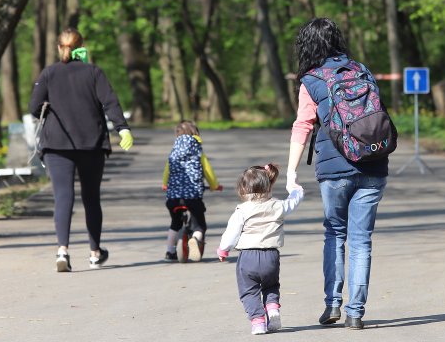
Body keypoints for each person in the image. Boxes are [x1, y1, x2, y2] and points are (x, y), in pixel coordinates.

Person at [286, 17, 389, 330]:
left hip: (334, 168)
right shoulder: (361, 70)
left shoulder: (311, 80)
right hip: (373, 163)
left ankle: (333, 303)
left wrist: (291, 173)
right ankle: (355, 312)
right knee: (362, 241)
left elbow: (303, 125)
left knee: (335, 232)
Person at [28, 28, 134, 273]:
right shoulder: (93, 72)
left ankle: (62, 250)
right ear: (81, 47)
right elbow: (110, 101)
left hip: (56, 144)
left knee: (63, 197)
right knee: (91, 198)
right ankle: (95, 253)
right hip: (91, 144)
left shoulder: (49, 73)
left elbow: (34, 107)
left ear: (59, 48)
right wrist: (122, 129)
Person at [217, 164, 305, 335]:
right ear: (268, 185)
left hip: (248, 257)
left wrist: (223, 249)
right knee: (271, 285)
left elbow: (231, 233)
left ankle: (258, 321)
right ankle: (272, 310)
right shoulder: (278, 206)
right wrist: (296, 187)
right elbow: (294, 200)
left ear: (243, 188)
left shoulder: (242, 210)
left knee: (249, 291)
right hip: (271, 256)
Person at [161, 120, 222, 262]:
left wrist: (165, 184)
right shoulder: (198, 150)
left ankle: (170, 252)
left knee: (174, 223)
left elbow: (167, 170)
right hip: (192, 197)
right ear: (195, 134)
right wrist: (214, 185)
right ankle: (195, 238)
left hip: (173, 198)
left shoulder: (174, 151)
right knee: (200, 225)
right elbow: (207, 170)